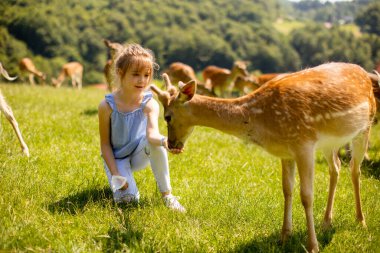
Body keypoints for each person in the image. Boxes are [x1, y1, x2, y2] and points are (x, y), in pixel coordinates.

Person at [98, 43, 185, 212]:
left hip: (139, 152)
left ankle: (167, 196)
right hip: (117, 159)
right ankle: (125, 182)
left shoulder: (150, 103)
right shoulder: (106, 106)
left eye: (146, 75)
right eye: (136, 74)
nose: (142, 80)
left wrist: (165, 142)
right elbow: (105, 145)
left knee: (154, 143)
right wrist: (116, 174)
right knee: (128, 202)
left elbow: (152, 135)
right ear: (120, 73)